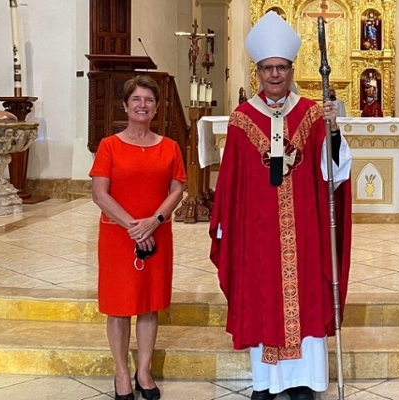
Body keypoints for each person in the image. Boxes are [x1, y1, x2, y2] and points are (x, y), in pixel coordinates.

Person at [208, 12, 353, 400]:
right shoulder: (242, 119)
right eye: (268, 68)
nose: (275, 75)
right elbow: (230, 180)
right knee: (262, 296)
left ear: (291, 69)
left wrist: (335, 129)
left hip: (304, 227)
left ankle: (305, 381)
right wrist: (223, 224)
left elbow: (335, 172)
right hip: (257, 230)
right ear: (258, 71)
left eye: (281, 68)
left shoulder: (310, 112)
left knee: (305, 295)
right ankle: (266, 382)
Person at [90, 75, 187, 400]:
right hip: (119, 237)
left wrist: (154, 221)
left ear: (156, 107)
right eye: (137, 100)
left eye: (148, 100)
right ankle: (121, 373)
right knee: (119, 307)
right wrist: (135, 226)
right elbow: (99, 193)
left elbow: (177, 189)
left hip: (157, 234)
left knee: (148, 304)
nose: (142, 105)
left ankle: (143, 370)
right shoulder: (110, 146)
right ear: (126, 105)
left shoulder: (170, 147)